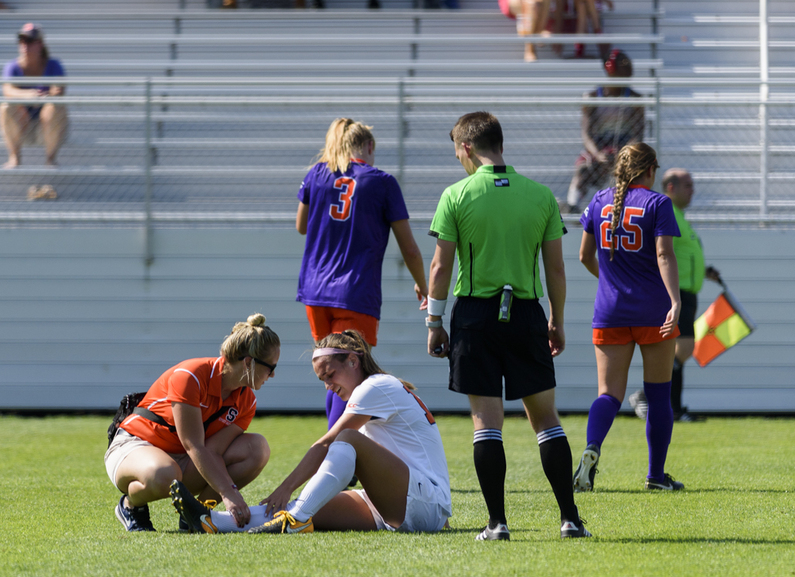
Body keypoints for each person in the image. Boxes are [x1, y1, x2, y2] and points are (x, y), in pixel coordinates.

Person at [426, 111, 590, 541]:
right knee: (546, 420)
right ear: (500, 144)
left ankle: (497, 524)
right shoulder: (540, 196)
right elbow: (556, 269)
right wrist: (555, 319)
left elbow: (441, 265)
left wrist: (434, 321)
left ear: (465, 148)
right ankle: (570, 520)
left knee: (486, 422)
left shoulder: (456, 194)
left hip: (475, 319)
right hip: (526, 314)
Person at [170, 329, 452, 535]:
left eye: (330, 375)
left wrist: (285, 486)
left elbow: (327, 443)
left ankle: (297, 521)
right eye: (322, 380)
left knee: (345, 440)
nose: (328, 386)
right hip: (408, 505)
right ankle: (211, 521)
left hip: (421, 502)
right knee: (304, 504)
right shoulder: (375, 389)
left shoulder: (375, 386)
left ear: (353, 361)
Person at [296, 118, 428, 431]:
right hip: (355, 290)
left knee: (332, 373)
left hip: (315, 291)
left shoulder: (317, 173)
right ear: (369, 146)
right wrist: (424, 285)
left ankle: (339, 447)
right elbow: (409, 247)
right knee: (349, 375)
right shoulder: (381, 181)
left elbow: (301, 226)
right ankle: (339, 450)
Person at [573, 142, 685, 494]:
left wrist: (610, 281)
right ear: (650, 170)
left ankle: (592, 449)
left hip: (610, 311)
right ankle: (655, 475)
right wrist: (675, 301)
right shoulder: (658, 203)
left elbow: (583, 257)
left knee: (608, 394)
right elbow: (664, 255)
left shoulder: (599, 201)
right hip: (653, 311)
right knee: (659, 395)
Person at [104, 313, 279, 532]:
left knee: (257, 449)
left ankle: (196, 514)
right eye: (270, 368)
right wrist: (230, 494)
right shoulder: (191, 375)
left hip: (182, 460)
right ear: (248, 363)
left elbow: (212, 451)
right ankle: (131, 505)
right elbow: (193, 444)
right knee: (165, 475)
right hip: (135, 446)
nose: (272, 375)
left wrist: (228, 492)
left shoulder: (247, 401)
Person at [629, 168, 722, 422]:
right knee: (682, 348)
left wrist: (705, 271)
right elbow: (660, 253)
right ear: (671, 187)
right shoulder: (664, 212)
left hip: (688, 293)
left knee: (680, 351)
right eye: (688, 185)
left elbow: (682, 255)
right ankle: (648, 396)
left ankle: (673, 410)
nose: (692, 190)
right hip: (674, 293)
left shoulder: (679, 216)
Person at [561, 50, 644, 215]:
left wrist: (623, 153)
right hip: (598, 147)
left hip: (624, 147)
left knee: (631, 168)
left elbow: (638, 135)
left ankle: (623, 211)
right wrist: (597, 154)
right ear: (610, 70)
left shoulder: (635, 98)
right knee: (583, 168)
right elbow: (586, 134)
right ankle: (573, 207)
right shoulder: (592, 97)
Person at [1, 23, 68, 168]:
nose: (25, 45)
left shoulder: (53, 64)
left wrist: (43, 96)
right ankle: (14, 158)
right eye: (22, 41)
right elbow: (7, 90)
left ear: (40, 44)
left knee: (55, 107)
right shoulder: (12, 66)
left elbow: (59, 89)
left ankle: (50, 160)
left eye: (30, 41)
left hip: (47, 124)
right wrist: (28, 95)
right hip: (23, 123)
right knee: (6, 107)